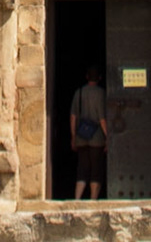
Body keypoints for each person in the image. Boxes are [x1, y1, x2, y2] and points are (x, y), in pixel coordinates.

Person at [68, 63, 109, 200]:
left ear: (86, 77)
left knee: (82, 169)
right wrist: (108, 137)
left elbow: (73, 117)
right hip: (97, 138)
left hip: (81, 137)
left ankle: (77, 199)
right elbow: (102, 119)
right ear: (100, 78)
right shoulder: (101, 93)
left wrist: (73, 136)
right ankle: (92, 200)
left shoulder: (78, 93)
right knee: (96, 169)